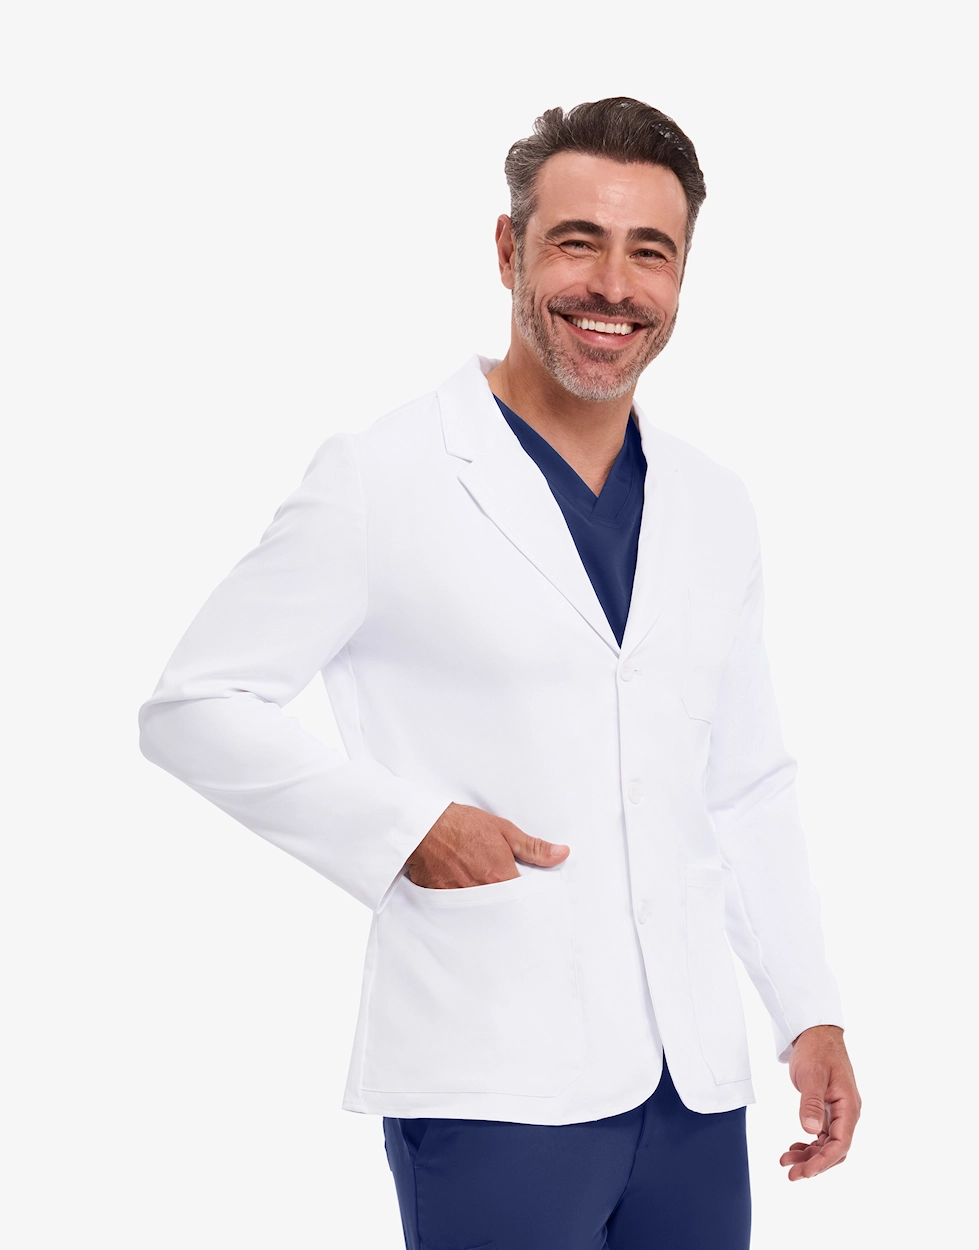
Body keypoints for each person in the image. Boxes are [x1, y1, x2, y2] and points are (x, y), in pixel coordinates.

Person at [138, 96, 861, 1249]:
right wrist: (405, 826)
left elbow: (745, 784)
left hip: (691, 1086)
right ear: (508, 248)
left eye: (650, 252)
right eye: (577, 241)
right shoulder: (383, 476)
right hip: (492, 1076)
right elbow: (193, 705)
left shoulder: (713, 504)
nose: (612, 285)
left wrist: (806, 1010)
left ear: (682, 276)